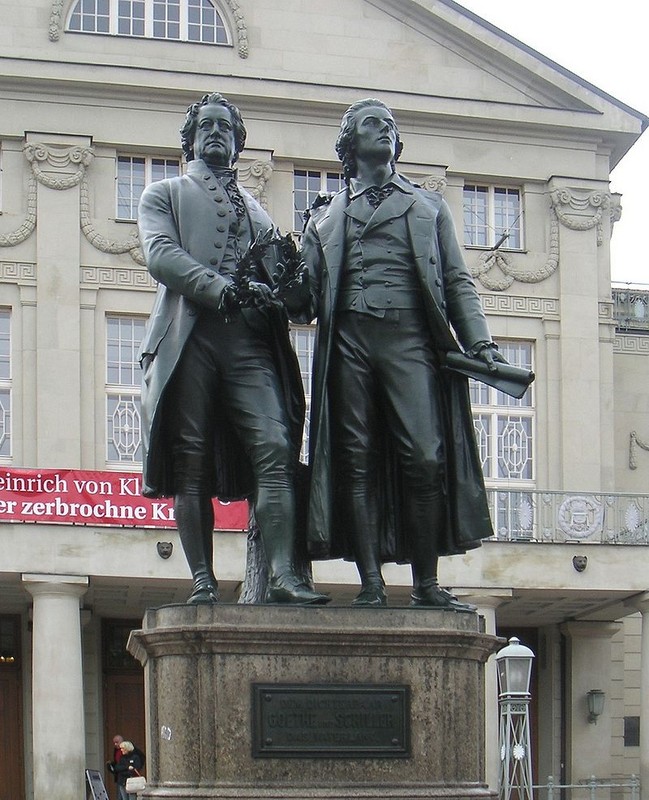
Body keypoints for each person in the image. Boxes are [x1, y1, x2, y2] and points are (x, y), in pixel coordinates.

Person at [300, 98, 507, 608]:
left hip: (410, 338)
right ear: (349, 144)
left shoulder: (428, 205)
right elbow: (303, 302)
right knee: (355, 460)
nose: (385, 130)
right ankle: (370, 582)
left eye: (390, 125)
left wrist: (479, 341)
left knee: (425, 456)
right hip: (349, 341)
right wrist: (278, 275)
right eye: (373, 124)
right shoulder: (325, 217)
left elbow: (457, 281)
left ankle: (426, 583)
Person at [137, 92, 328, 605]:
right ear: (192, 138)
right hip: (190, 337)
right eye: (208, 125)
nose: (217, 133)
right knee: (190, 459)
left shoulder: (261, 215)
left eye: (226, 127)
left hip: (249, 343)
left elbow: (294, 297)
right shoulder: (165, 193)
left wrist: (295, 280)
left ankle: (284, 575)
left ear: (239, 143)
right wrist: (219, 287)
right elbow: (160, 255)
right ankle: (202, 578)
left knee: (276, 448)